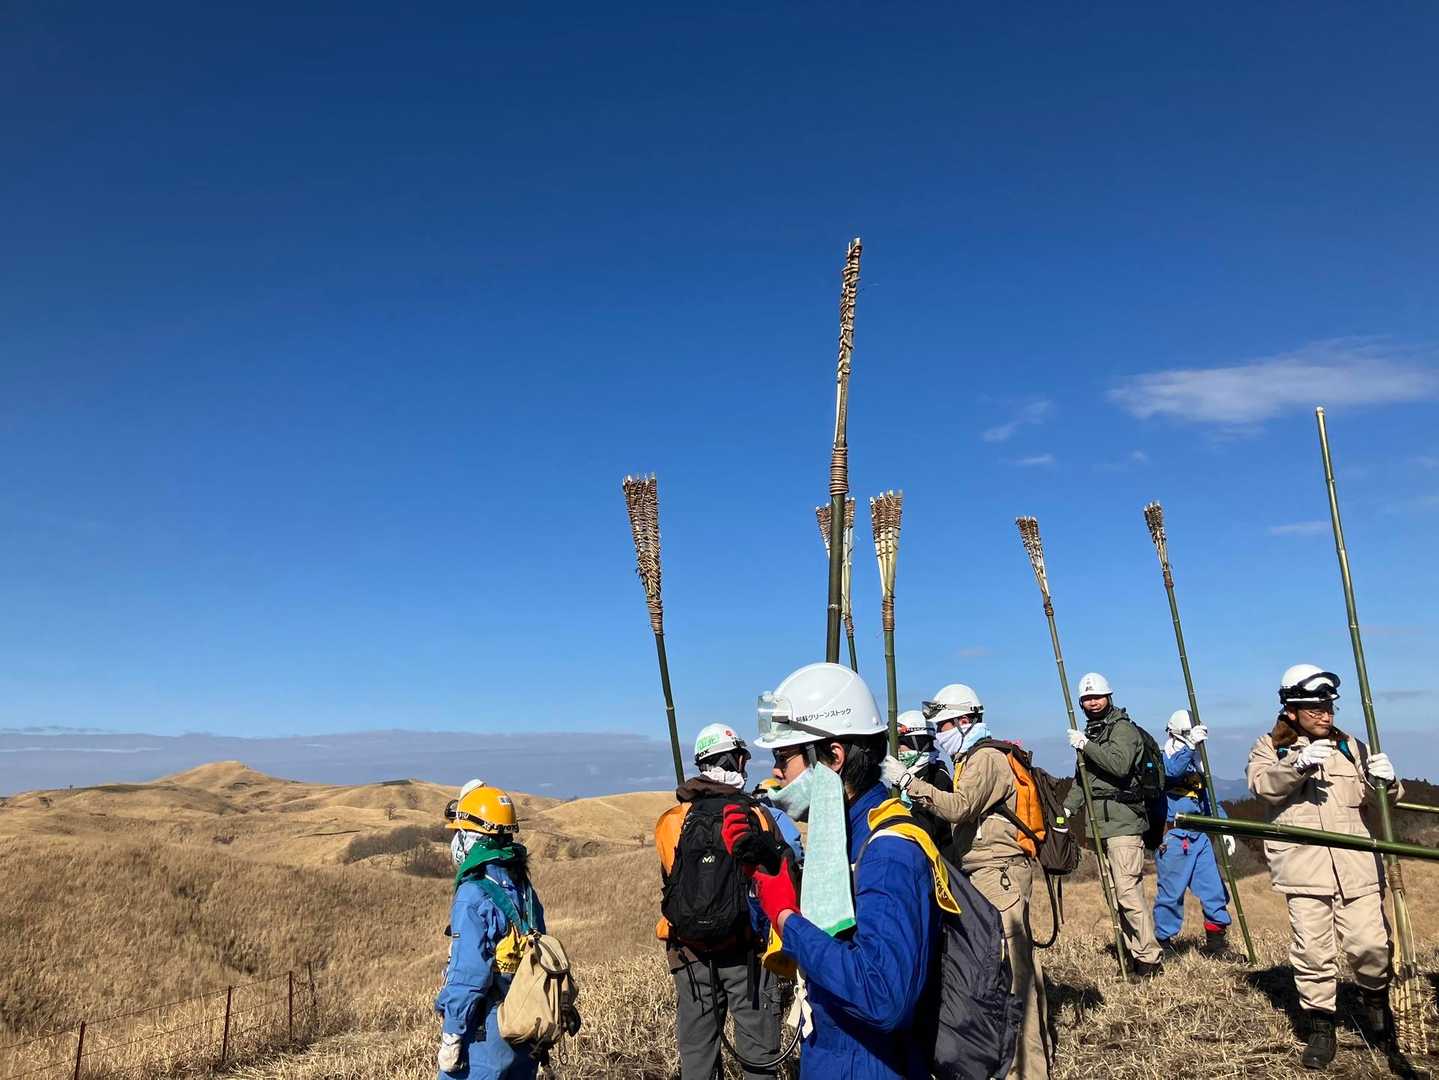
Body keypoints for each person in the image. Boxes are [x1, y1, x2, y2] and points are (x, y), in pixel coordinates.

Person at [724, 661, 942, 1079]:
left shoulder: (889, 853)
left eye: (784, 757)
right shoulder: (837, 839)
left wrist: (787, 918)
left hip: (872, 1064)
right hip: (833, 1054)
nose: (775, 772)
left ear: (834, 757)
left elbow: (883, 997)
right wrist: (764, 877)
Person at [894, 684, 1054, 1080]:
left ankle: (1027, 1070)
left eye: (944, 724)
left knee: (1012, 976)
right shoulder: (975, 756)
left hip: (998, 875)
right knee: (1021, 968)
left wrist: (909, 783)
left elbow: (959, 808)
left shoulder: (984, 758)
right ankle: (1035, 1057)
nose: (940, 732)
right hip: (996, 872)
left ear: (965, 720)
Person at [1247, 664, 1402, 1069]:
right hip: (1303, 867)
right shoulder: (1270, 747)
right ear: (1291, 710)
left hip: (1358, 865)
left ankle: (1376, 1005)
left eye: (1329, 707)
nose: (1325, 715)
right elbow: (1263, 786)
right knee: (1314, 953)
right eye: (1314, 708)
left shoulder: (1352, 746)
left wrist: (1388, 782)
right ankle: (1321, 1027)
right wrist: (1296, 766)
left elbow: (1380, 801)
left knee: (1371, 945)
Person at [654, 724, 798, 1080]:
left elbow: (671, 881)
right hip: (746, 953)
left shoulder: (672, 821)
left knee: (698, 1057)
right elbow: (780, 875)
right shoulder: (756, 815)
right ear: (736, 760)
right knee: (758, 1056)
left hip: (690, 955)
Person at [436, 781, 545, 1080]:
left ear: (472, 837)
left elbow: (469, 975)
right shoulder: (524, 889)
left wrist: (453, 1035)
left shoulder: (473, 894)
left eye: (459, 832)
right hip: (525, 1022)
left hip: (486, 1030)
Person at [1060, 672, 1165, 978]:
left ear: (1109, 697)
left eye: (1097, 697)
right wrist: (1066, 810)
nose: (1092, 702)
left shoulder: (1122, 730)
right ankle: (1134, 953)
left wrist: (1085, 746)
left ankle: (1149, 958)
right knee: (1114, 896)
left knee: (1128, 893)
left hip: (1124, 823)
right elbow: (1084, 779)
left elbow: (1119, 766)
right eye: (1087, 699)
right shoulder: (1093, 733)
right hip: (1100, 826)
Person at [1154, 709, 1235, 957]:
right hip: (1173, 837)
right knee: (1171, 895)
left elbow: (1208, 798)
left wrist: (1225, 828)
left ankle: (1216, 945)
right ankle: (1163, 944)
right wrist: (1189, 746)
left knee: (1215, 891)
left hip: (1199, 837)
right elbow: (1171, 773)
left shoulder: (1197, 763)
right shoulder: (1161, 758)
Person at [893, 709, 955, 849]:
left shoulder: (938, 777)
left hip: (937, 857)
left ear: (918, 744)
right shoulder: (901, 777)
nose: (897, 750)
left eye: (901, 744)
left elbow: (932, 830)